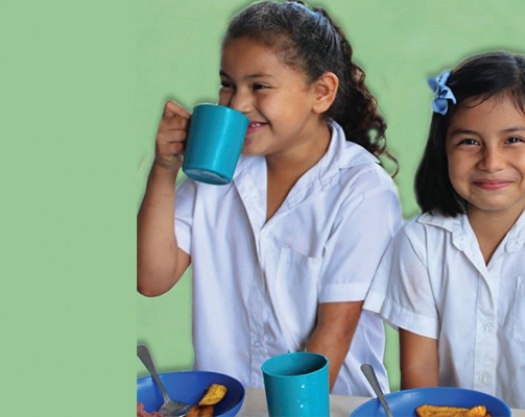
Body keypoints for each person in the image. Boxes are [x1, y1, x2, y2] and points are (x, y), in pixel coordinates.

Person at [136, 0, 401, 396]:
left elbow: (331, 335)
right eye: (228, 84)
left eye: (259, 86)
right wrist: (163, 168)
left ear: (321, 92)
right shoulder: (219, 169)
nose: (238, 105)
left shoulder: (362, 191)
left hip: (323, 405)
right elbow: (152, 278)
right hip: (230, 403)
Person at [363, 51, 525, 412]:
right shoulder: (418, 243)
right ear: (444, 152)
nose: (491, 162)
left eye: (513, 140)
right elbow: (420, 373)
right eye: (469, 141)